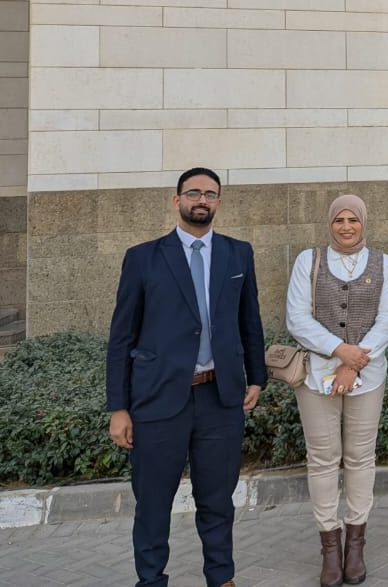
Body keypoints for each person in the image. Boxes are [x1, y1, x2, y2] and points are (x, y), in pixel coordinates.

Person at [105, 167, 266, 587]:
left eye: (210, 194)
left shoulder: (238, 254)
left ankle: (221, 577)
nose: (201, 200)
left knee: (217, 499)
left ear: (219, 202)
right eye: (193, 193)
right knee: (153, 503)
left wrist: (257, 377)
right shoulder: (143, 258)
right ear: (176, 200)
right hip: (158, 400)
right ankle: (151, 580)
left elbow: (249, 320)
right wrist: (118, 408)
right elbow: (121, 337)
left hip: (220, 398)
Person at [285, 195, 388, 587]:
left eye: (353, 219)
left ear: (363, 222)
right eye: (339, 220)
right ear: (330, 224)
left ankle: (355, 545)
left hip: (367, 375)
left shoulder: (384, 263)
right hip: (316, 376)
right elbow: (297, 318)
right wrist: (339, 351)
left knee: (360, 458)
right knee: (322, 459)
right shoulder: (309, 260)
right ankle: (330, 548)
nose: (347, 226)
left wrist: (353, 363)